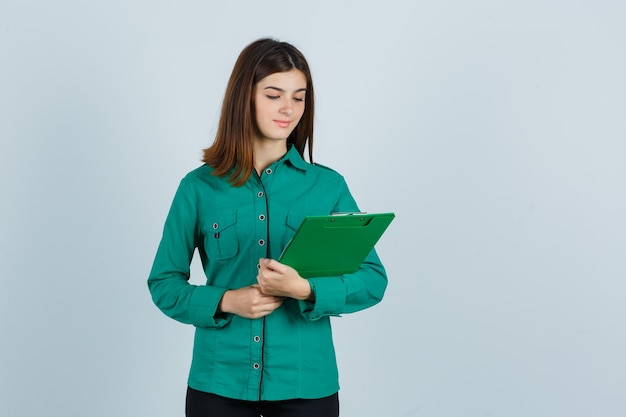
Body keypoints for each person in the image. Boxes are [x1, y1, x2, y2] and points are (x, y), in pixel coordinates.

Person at [148, 38, 388, 417]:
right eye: (274, 94)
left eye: (299, 96)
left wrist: (306, 289)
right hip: (218, 385)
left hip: (306, 385)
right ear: (245, 97)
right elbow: (163, 283)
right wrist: (226, 301)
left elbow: (373, 280)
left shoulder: (328, 187)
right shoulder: (198, 188)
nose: (288, 109)